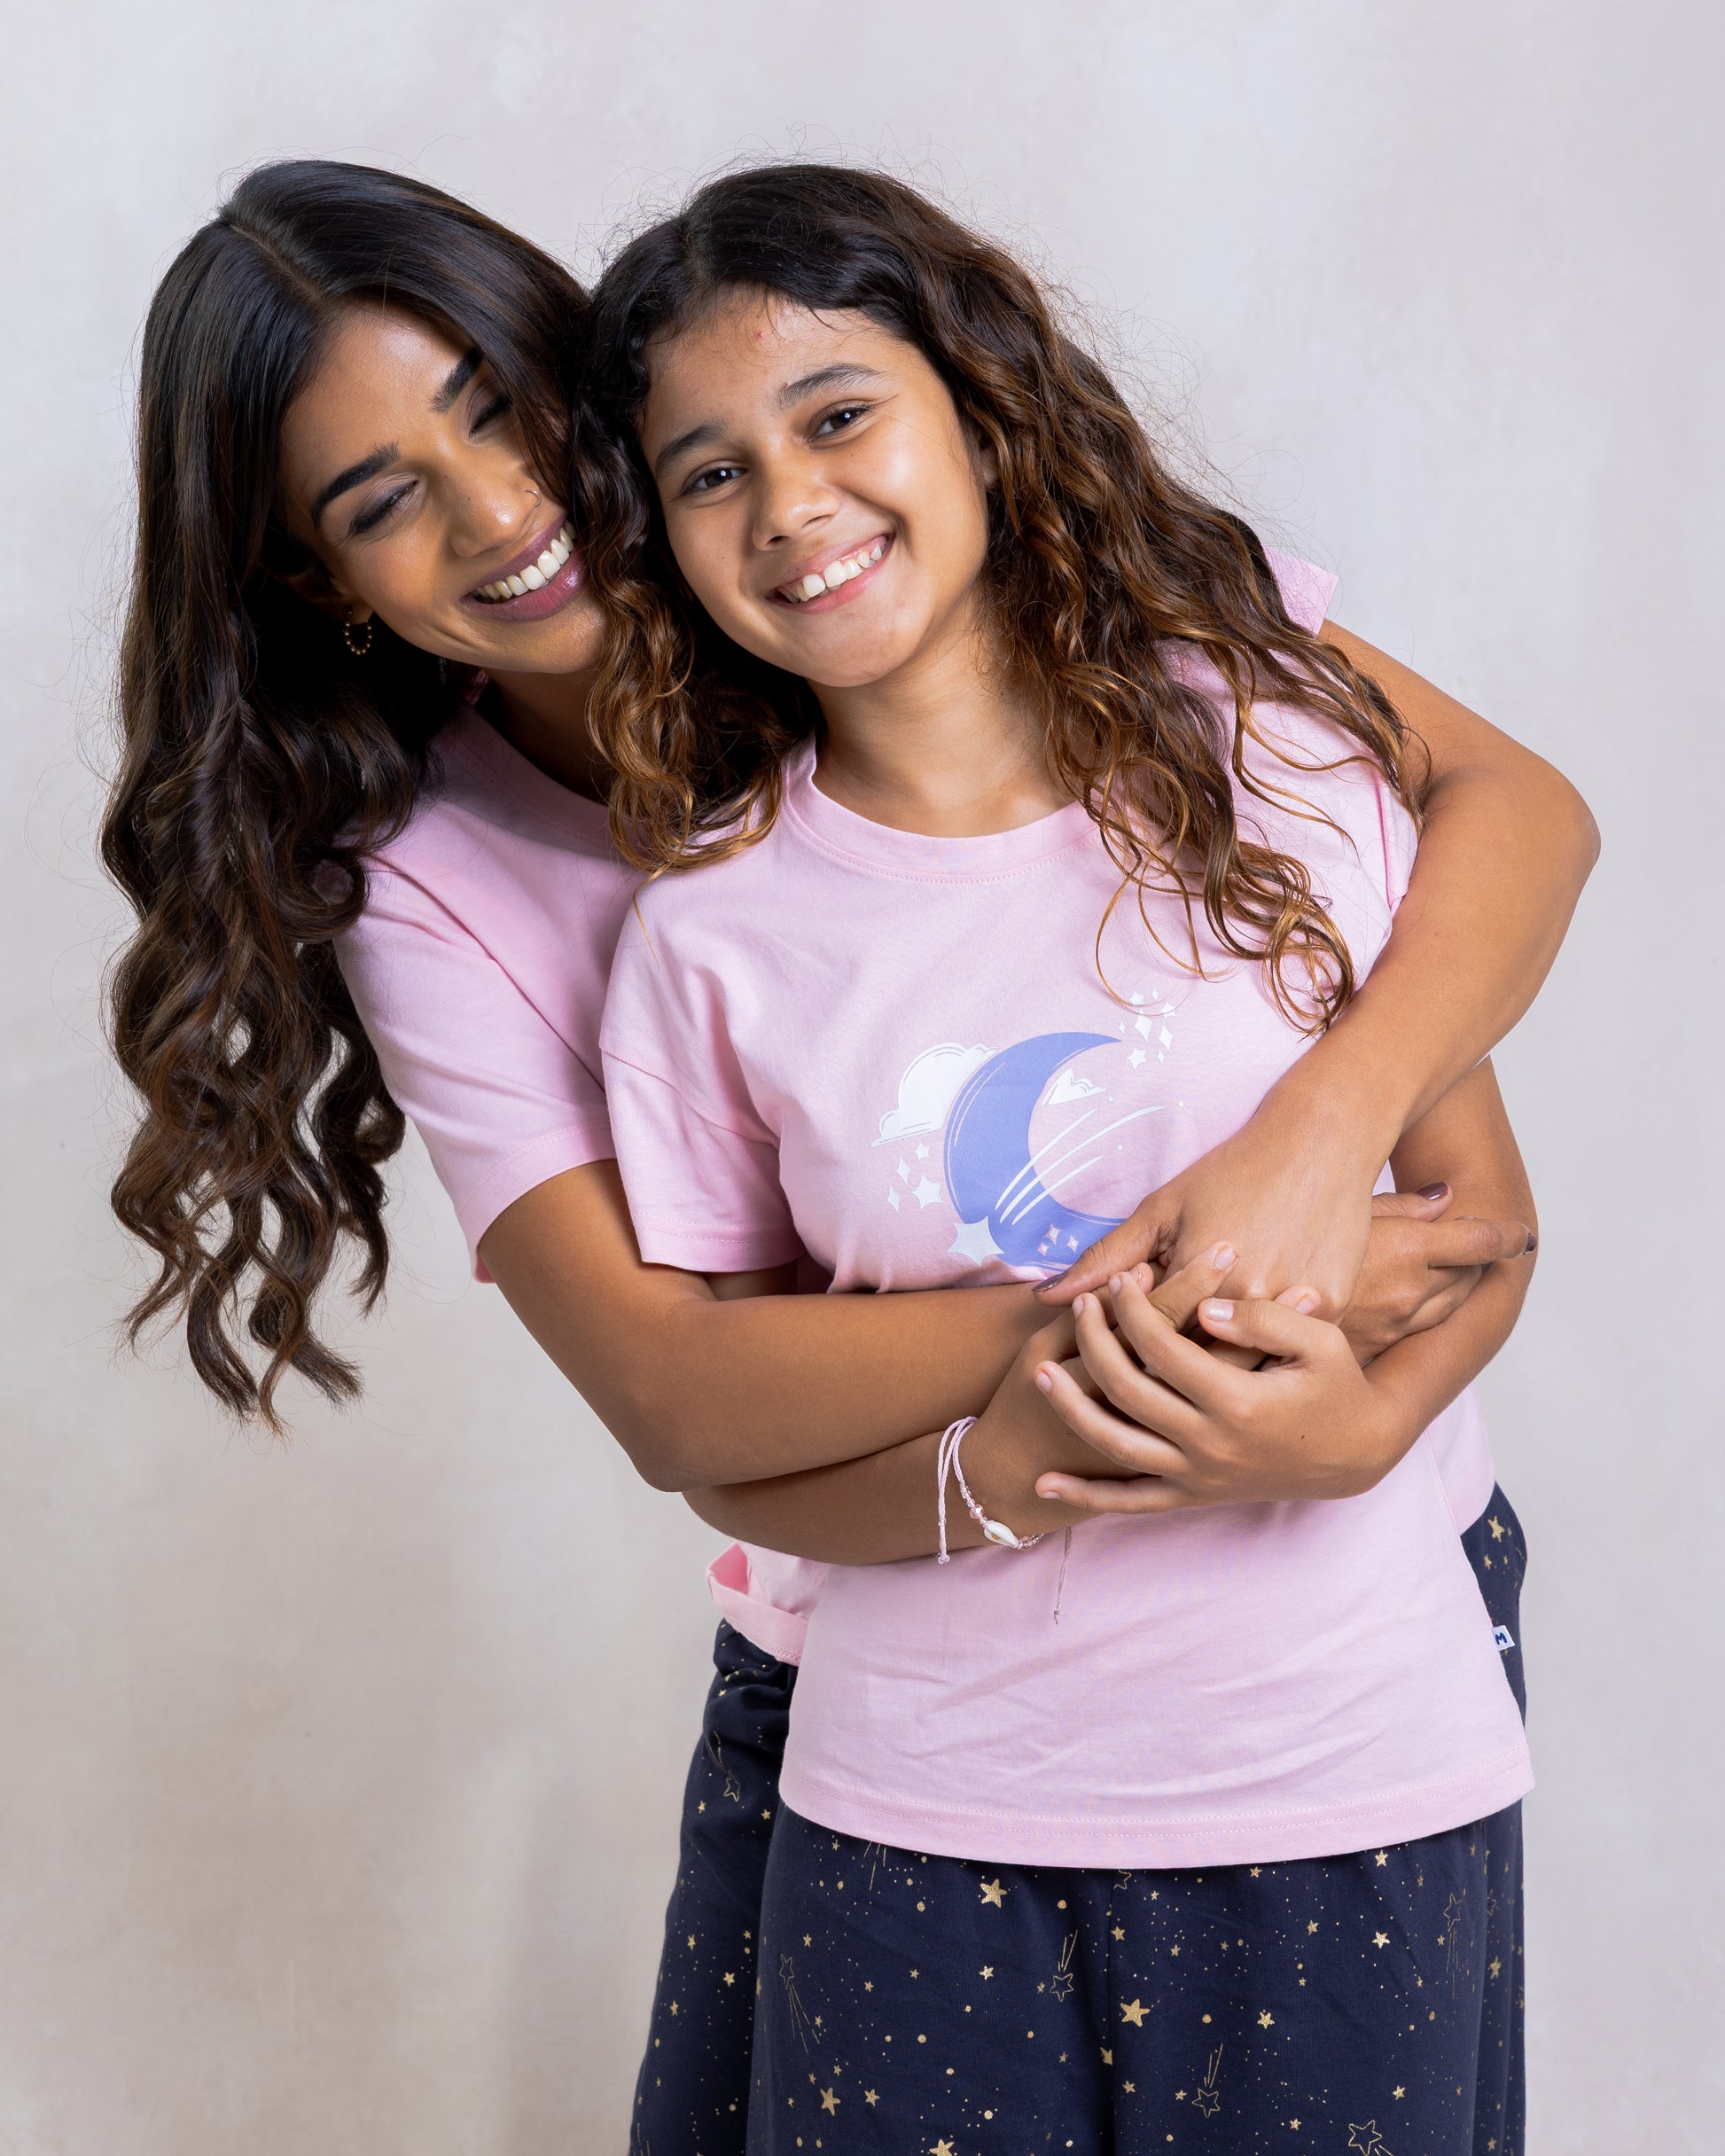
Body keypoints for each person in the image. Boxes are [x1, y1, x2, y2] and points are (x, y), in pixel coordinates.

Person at [102, 160, 1591, 2153]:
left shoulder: (1109, 655)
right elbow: (677, 1387)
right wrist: (1171, 1305)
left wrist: (1322, 1158)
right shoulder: (521, 893)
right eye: (380, 500)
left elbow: (1500, 851)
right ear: (319, 581)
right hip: (898, 1648)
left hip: (1339, 1603)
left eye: (505, 416)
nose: (499, 510)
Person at [582, 162, 1571, 2152]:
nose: (787, 503)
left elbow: (1478, 1232)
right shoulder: (708, 939)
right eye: (709, 472)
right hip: (915, 1817)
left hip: (1350, 1773)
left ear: (977, 410)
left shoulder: (1275, 763)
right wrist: (995, 1469)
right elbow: (734, 1448)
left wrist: (1355, 1437)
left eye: (837, 413)